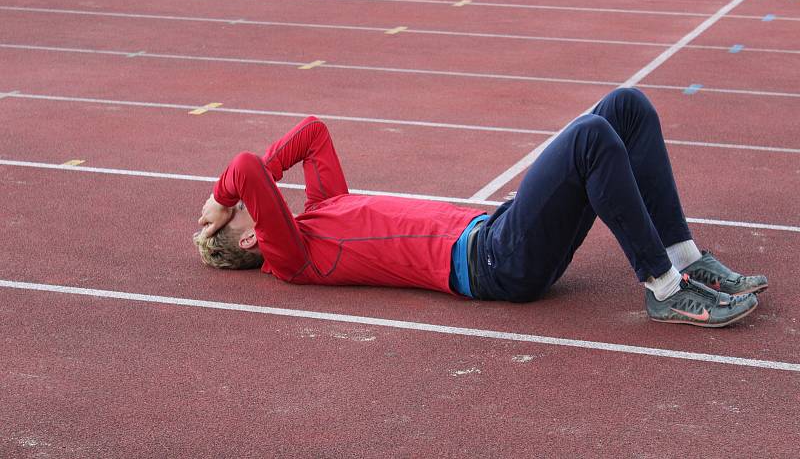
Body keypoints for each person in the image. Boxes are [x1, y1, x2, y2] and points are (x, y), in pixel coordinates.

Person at [194, 88, 767, 327]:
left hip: (500, 230)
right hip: (495, 263)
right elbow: (246, 166)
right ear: (251, 239)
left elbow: (313, 132)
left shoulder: (322, 211)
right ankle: (665, 289)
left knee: (625, 107)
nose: (252, 203)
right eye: (245, 213)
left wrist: (239, 196)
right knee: (592, 135)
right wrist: (221, 198)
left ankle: (682, 257)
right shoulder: (292, 257)